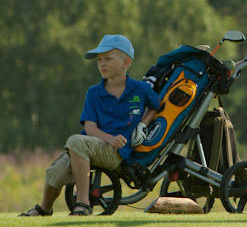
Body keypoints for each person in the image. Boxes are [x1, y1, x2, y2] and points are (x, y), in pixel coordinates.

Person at [19, 35, 159, 217]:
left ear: (126, 62)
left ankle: (83, 203)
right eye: (99, 60)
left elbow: (156, 106)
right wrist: (110, 138)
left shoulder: (140, 89)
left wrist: (142, 124)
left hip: (117, 153)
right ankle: (44, 209)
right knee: (56, 172)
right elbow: (91, 128)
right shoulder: (94, 93)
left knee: (76, 141)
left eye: (108, 58)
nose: (102, 63)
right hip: (95, 144)